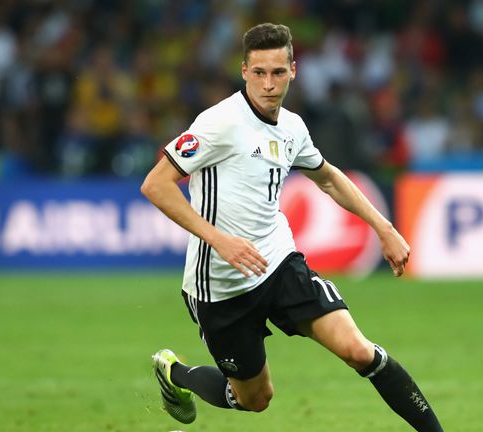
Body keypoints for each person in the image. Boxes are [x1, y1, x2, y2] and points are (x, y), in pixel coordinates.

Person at [140, 23, 443, 431]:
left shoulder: (293, 128)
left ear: (293, 71)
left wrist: (383, 227)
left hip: (279, 262)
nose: (269, 83)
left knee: (358, 350)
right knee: (255, 399)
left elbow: (329, 177)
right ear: (244, 70)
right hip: (221, 284)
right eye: (260, 72)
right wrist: (219, 241)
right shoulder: (218, 123)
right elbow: (155, 184)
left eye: (278, 72)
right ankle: (174, 373)